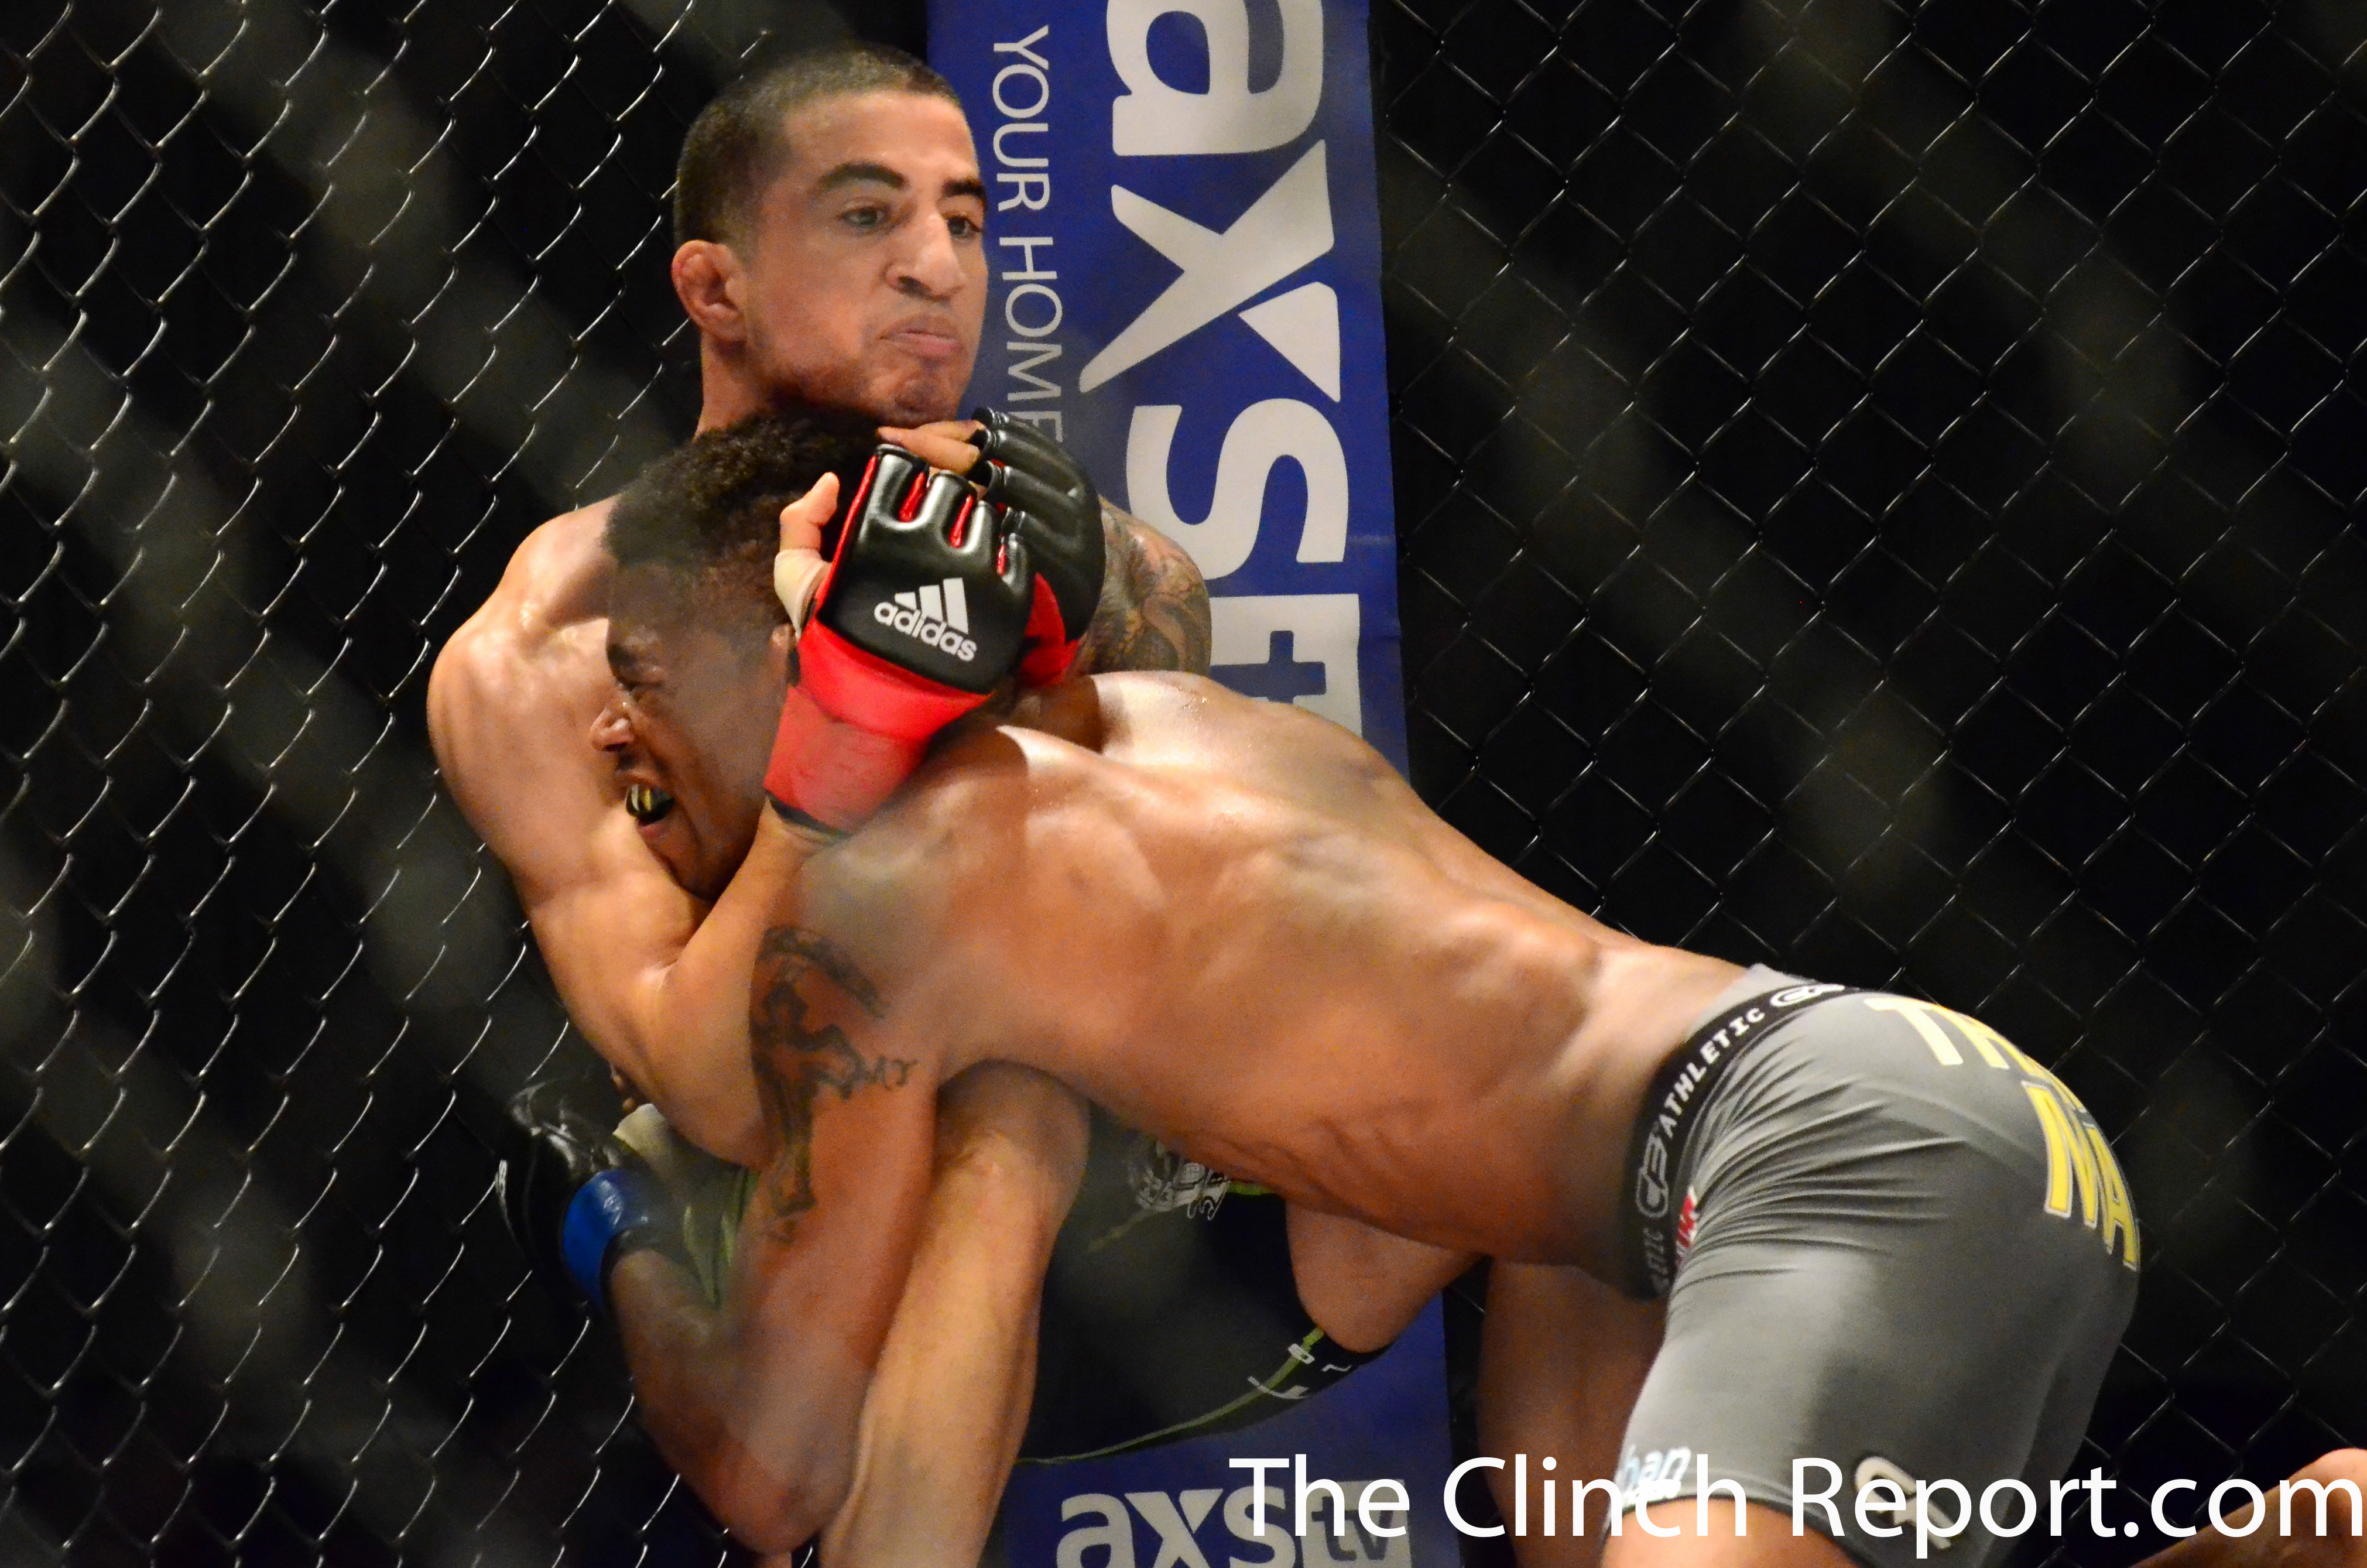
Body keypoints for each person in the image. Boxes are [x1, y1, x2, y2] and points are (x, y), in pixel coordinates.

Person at [575, 408, 2149, 1568]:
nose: (610, 732)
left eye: (645, 673)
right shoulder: (1192, 732)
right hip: (1882, 1125)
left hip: (1817, 1159)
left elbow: (784, 1467)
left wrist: (623, 1233)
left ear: (781, 647)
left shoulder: (896, 902)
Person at [426, 40, 1414, 1562]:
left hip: (1134, 1191)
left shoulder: (1100, 566)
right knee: (911, 1207)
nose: (936, 268)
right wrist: (839, 750)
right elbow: (702, 1076)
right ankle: (624, 1236)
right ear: (715, 289)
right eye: (866, 215)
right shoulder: (548, 659)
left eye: (963, 219)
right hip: (811, 1195)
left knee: (1567, 1130)